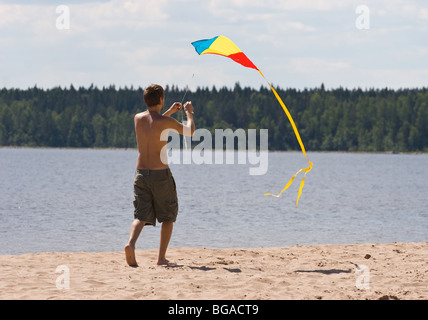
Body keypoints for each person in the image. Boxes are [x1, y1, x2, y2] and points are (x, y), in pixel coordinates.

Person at [125, 84, 195, 267]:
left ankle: (131, 245)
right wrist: (189, 113)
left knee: (140, 215)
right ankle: (161, 258)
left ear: (146, 100)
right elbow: (190, 131)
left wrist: (170, 111)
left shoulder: (138, 118)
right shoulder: (166, 122)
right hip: (160, 174)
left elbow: (153, 123)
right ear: (161, 100)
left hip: (140, 174)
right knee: (168, 216)